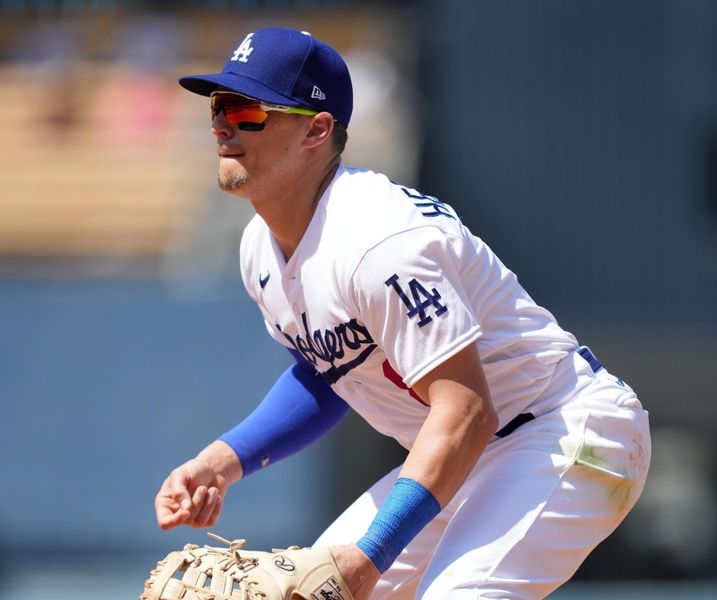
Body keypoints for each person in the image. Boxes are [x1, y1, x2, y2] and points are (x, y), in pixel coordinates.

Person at [154, 27, 651, 599]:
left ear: (316, 129)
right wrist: (224, 461)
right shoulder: (258, 250)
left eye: (247, 110)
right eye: (219, 105)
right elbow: (332, 372)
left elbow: (466, 411)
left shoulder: (378, 241)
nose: (222, 124)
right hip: (458, 457)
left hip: (562, 430)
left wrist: (370, 558)